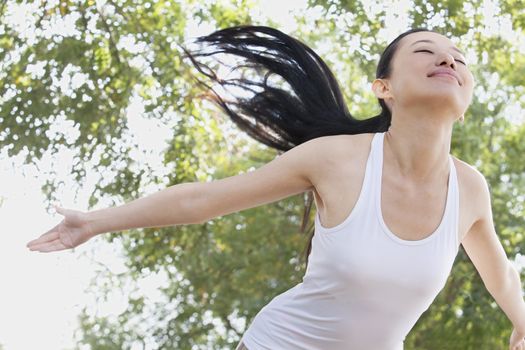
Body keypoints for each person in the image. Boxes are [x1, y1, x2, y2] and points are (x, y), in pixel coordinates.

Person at [26, 25, 525, 350]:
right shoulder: (337, 159)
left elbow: (499, 273)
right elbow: (203, 199)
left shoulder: (469, 189)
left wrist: (522, 323)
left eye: (459, 58)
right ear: (384, 88)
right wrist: (92, 222)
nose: (449, 61)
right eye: (427, 52)